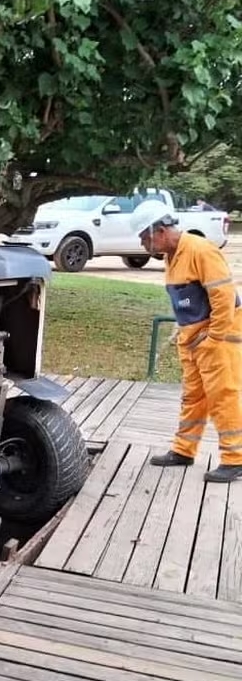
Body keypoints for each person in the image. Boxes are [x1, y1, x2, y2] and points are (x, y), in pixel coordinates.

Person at [133, 200, 242, 482]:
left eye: (145, 238)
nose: (144, 245)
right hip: (194, 337)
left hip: (218, 336)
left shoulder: (200, 249)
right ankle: (184, 450)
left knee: (222, 395)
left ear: (159, 230)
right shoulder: (172, 256)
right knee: (193, 396)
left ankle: (235, 459)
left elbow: (224, 297)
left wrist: (215, 336)